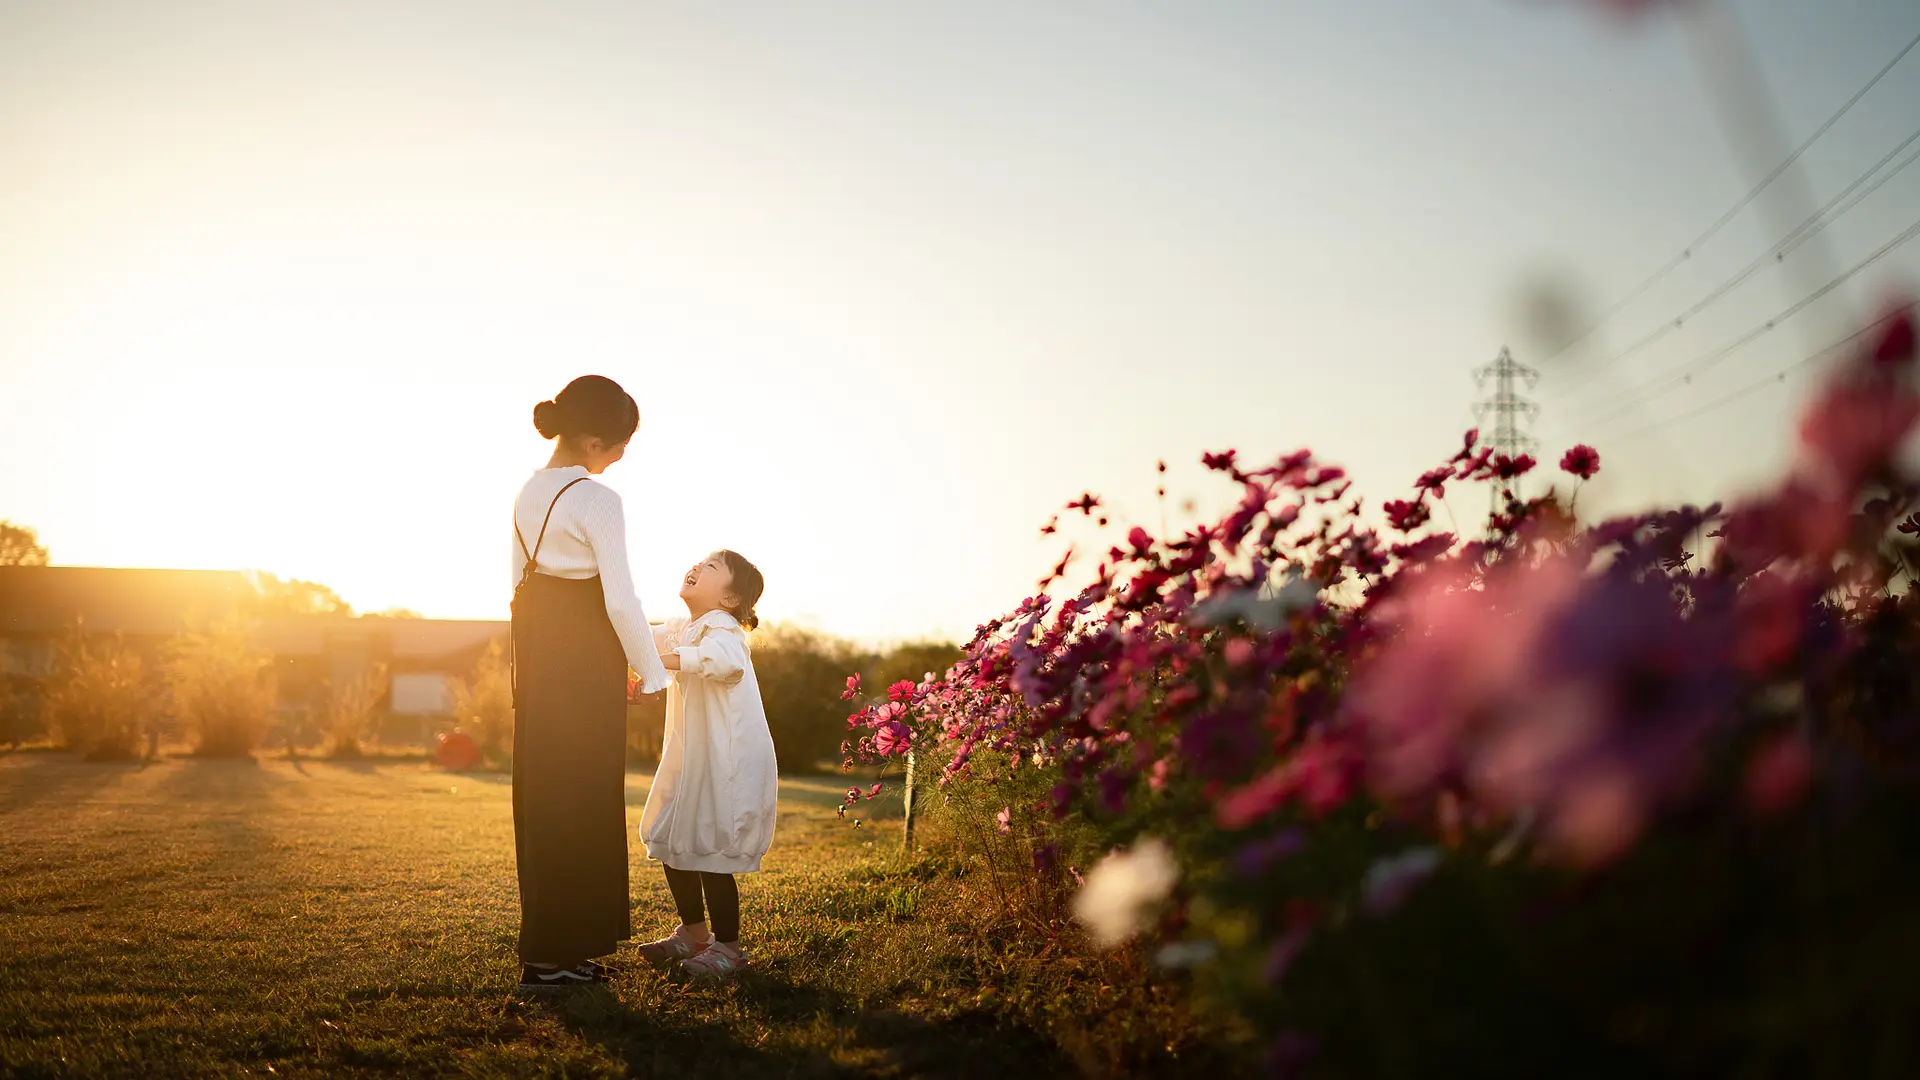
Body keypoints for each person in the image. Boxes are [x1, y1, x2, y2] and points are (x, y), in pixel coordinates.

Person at [509, 375, 671, 993]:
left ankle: (554, 952)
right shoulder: (598, 499)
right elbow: (622, 600)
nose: (621, 458)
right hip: (583, 664)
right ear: (596, 439)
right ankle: (557, 958)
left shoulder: (528, 492)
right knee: (584, 802)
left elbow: (517, 581)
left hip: (540, 659)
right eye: (621, 445)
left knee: (546, 802)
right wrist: (651, 672)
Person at [635, 550, 777, 980]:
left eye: (711, 568)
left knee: (712, 852)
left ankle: (729, 950)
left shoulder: (725, 630)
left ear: (731, 598)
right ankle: (694, 936)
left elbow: (725, 661)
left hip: (725, 762)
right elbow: (643, 636)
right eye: (699, 563)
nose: (696, 568)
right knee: (673, 840)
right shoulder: (688, 627)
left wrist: (662, 662)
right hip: (693, 757)